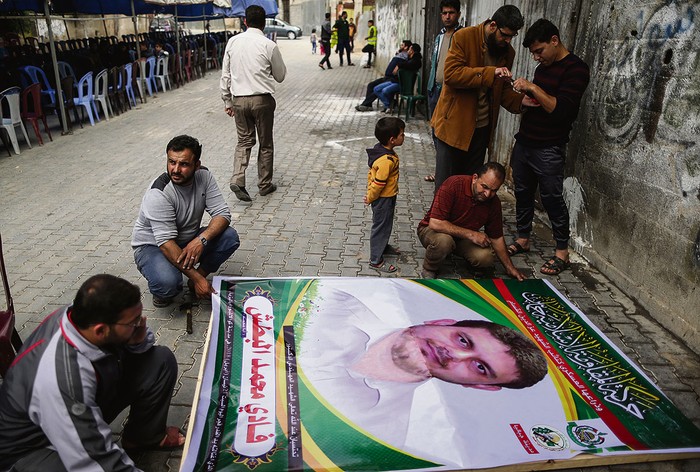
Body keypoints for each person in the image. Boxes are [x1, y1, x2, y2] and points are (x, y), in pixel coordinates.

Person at [298, 279, 548, 456]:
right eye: (462, 340)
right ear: (441, 322)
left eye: (481, 367)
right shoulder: (331, 303)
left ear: (481, 386)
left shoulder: (379, 433)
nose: (453, 353)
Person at [0, 274, 184, 471]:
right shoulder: (62, 378)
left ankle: (143, 437)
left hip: (72, 405)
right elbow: (96, 462)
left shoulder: (83, 316)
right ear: (100, 330)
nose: (140, 323)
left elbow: (139, 345)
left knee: (159, 361)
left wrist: (136, 340)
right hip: (31, 447)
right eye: (133, 322)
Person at [508, 19, 590, 276]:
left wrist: (532, 87)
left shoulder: (576, 69)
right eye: (533, 52)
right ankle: (523, 238)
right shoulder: (544, 67)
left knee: (552, 198)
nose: (536, 57)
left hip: (549, 147)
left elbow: (559, 109)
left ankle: (562, 252)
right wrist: (527, 99)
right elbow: (542, 101)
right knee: (522, 192)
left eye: (539, 50)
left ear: (554, 41)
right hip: (526, 141)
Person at [132, 135, 240, 307]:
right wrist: (197, 278)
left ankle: (193, 280)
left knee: (229, 237)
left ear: (196, 165)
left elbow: (222, 214)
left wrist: (201, 240)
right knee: (168, 284)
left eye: (183, 164)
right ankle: (163, 284)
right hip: (154, 246)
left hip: (184, 240)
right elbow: (166, 243)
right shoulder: (158, 193)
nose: (175, 169)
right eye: (171, 162)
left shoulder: (204, 176)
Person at [431, 5, 527, 192]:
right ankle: (437, 221)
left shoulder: (507, 52)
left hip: (481, 129)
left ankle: (463, 222)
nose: (507, 41)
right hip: (454, 126)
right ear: (493, 25)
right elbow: (451, 75)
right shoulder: (464, 37)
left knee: (470, 187)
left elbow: (502, 90)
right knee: (446, 186)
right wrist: (490, 72)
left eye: (511, 37)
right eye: (505, 35)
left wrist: (521, 101)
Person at [220, 5, 287, 201]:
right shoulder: (269, 45)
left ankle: (237, 178)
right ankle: (264, 185)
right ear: (264, 24)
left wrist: (227, 101)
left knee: (244, 141)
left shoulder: (232, 42)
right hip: (262, 100)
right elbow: (280, 76)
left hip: (239, 100)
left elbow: (225, 75)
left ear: (245, 22)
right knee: (265, 143)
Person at [417, 162, 526, 280]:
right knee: (444, 241)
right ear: (475, 178)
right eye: (484, 187)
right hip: (432, 231)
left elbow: (497, 238)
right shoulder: (453, 184)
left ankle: (465, 260)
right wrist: (472, 234)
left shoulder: (494, 202)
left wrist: (509, 267)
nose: (487, 194)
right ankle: (430, 268)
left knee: (486, 257)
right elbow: (435, 223)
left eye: (494, 190)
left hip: (462, 238)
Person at [424, 0, 462, 182]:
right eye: (445, 13)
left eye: (451, 13)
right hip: (435, 90)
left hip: (451, 93)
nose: (448, 16)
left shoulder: (461, 36)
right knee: (435, 134)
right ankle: (441, 172)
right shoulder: (439, 36)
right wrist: (430, 89)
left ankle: (448, 175)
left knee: (448, 136)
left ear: (458, 14)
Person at [364, 117, 405, 273]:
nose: (404, 137)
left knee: (386, 224)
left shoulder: (384, 150)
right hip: (382, 199)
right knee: (380, 226)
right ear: (392, 139)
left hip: (388, 196)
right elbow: (378, 184)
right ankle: (375, 260)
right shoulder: (385, 161)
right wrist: (370, 197)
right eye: (402, 134)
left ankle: (383, 246)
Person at [355, 40, 411, 112]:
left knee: (377, 89)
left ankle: (366, 104)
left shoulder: (405, 56)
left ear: (406, 47)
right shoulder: (400, 54)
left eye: (402, 45)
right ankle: (369, 105)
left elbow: (408, 64)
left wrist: (398, 65)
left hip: (392, 79)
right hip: (387, 77)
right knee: (370, 85)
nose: (400, 46)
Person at [373, 43, 422, 113]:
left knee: (385, 90)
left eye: (409, 49)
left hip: (402, 84)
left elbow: (410, 64)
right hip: (395, 81)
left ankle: (389, 106)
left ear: (412, 51)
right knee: (376, 89)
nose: (408, 51)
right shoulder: (408, 58)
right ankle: (389, 106)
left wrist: (399, 65)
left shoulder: (416, 61)